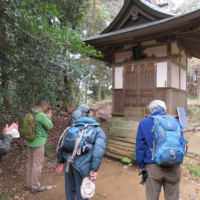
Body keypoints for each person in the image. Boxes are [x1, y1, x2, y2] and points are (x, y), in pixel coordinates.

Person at [136, 100, 183, 200]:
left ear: (151, 110)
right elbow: (181, 143)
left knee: (152, 197)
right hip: (174, 165)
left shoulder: (144, 123)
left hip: (153, 167)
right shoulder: (176, 122)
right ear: (165, 110)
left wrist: (141, 165)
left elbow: (140, 147)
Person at [56, 112, 106, 200]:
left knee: (69, 187)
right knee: (83, 190)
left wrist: (61, 162)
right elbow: (98, 151)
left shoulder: (72, 127)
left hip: (68, 162)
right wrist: (94, 169)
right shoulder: (98, 130)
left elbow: (61, 144)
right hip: (83, 164)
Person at [26, 99, 53, 194]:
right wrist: (49, 117)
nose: (46, 108)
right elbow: (49, 126)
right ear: (43, 106)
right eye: (46, 107)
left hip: (29, 141)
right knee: (37, 165)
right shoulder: (41, 115)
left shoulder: (31, 112)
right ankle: (36, 186)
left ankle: (30, 184)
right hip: (38, 143)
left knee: (30, 163)